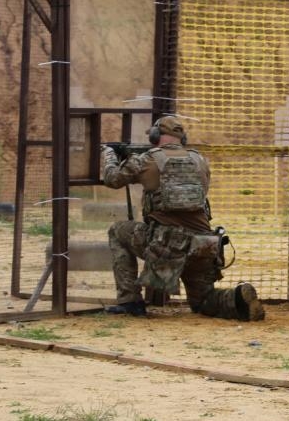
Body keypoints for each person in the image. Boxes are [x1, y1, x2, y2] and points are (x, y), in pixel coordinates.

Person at [100, 115, 264, 321]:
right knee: (203, 301)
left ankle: (130, 301)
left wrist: (110, 154)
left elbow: (112, 179)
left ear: (155, 135)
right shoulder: (199, 160)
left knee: (117, 231)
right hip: (204, 245)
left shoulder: (147, 160)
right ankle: (237, 299)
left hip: (167, 246)